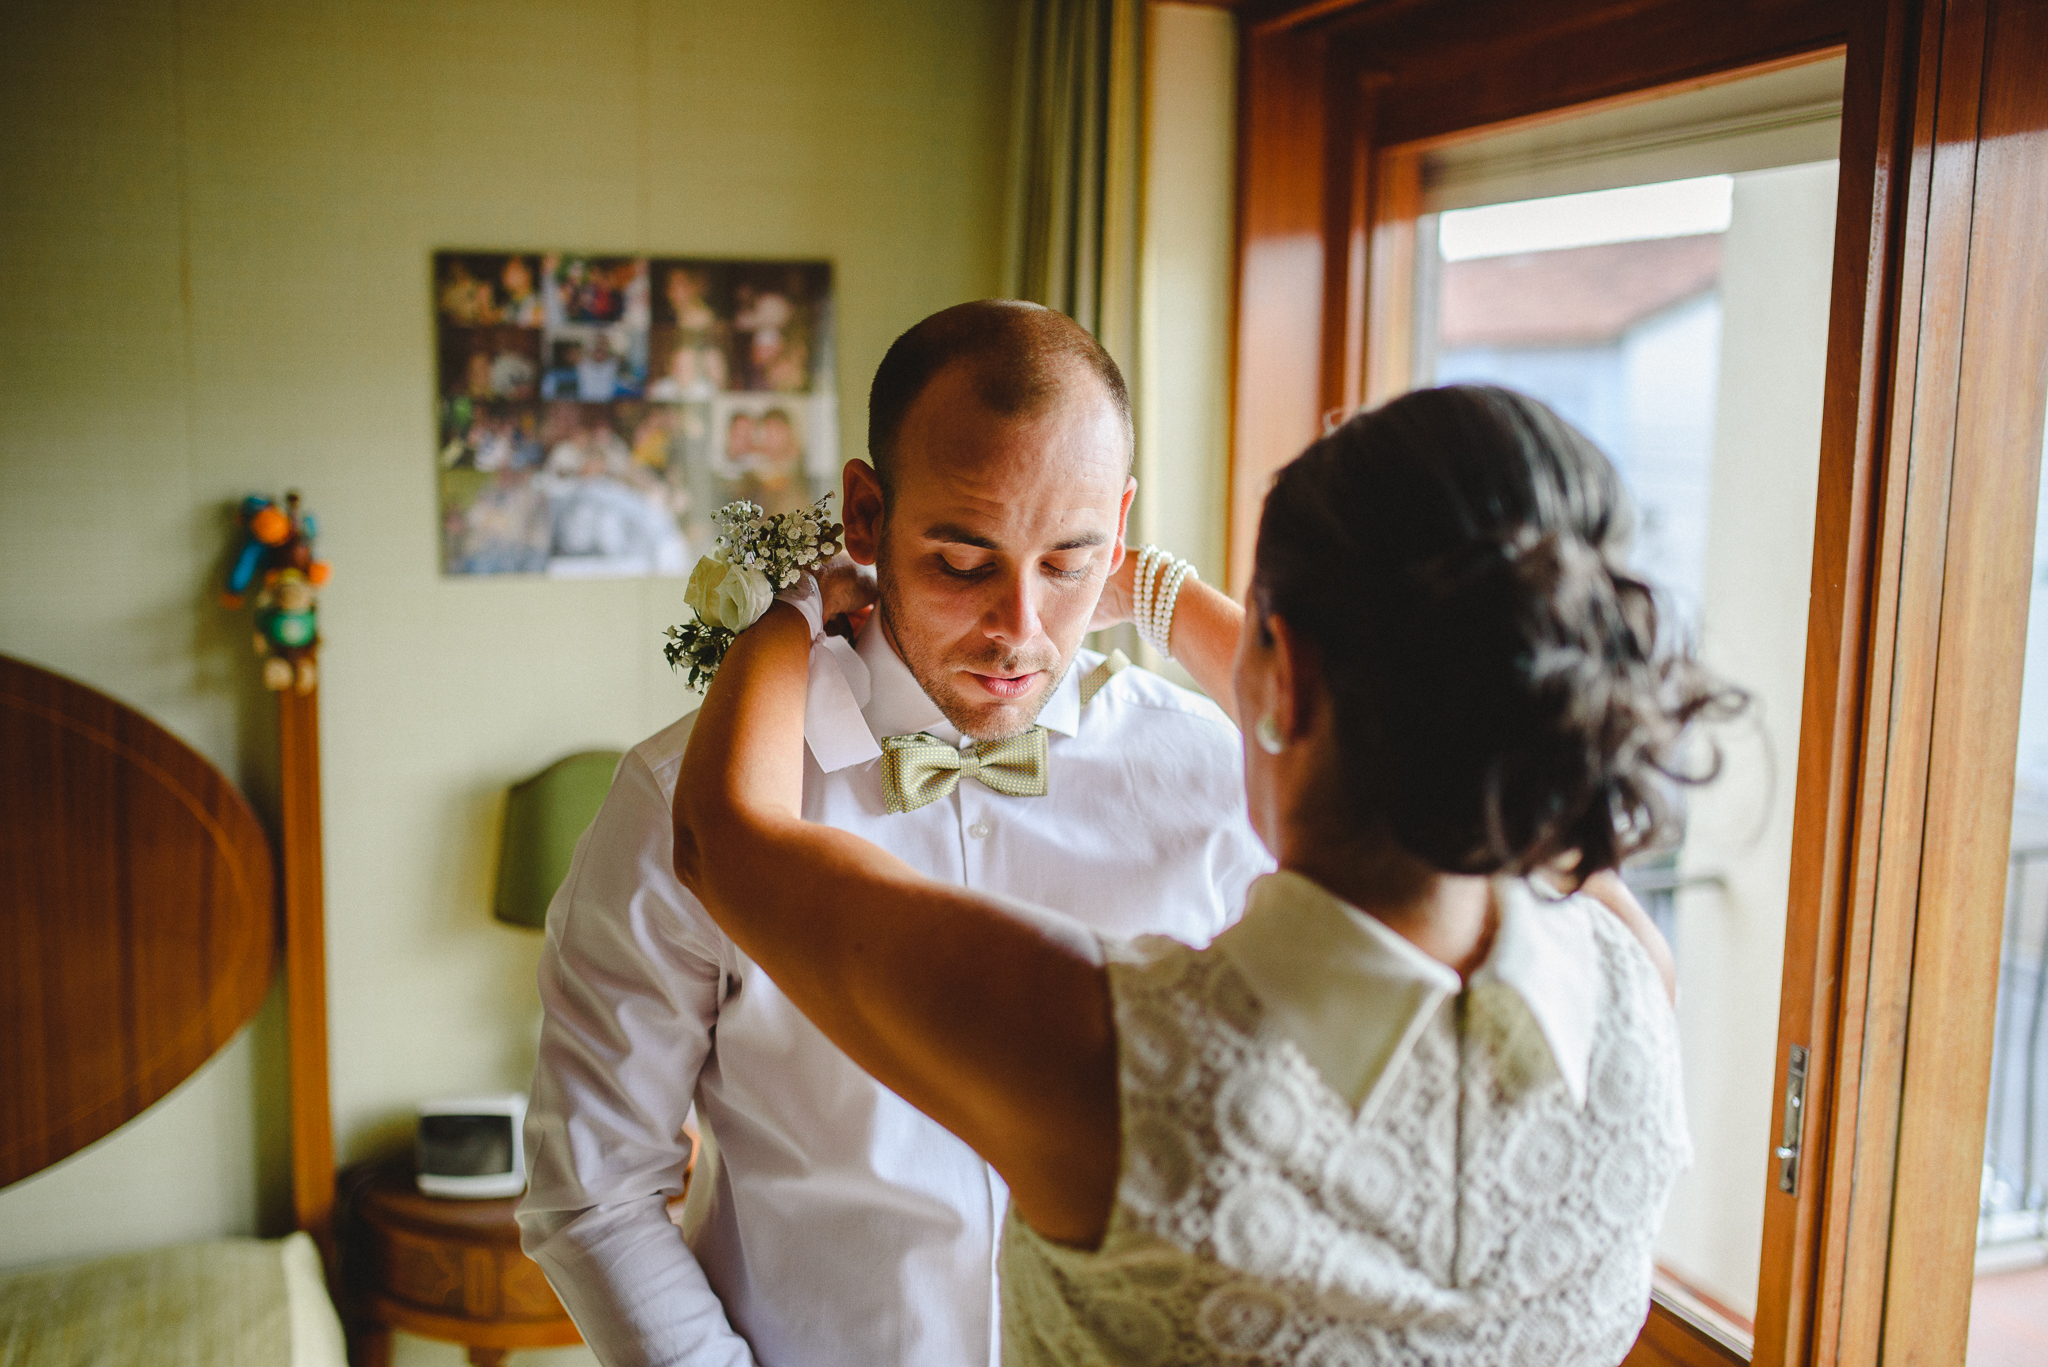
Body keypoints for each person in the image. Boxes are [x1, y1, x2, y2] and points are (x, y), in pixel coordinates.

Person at [671, 384, 1734, 1364]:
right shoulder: (1631, 983)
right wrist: (1111, 575)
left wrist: (799, 609)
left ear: (1287, 668)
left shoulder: (1119, 1065)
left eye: (1070, 559)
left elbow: (723, 837)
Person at [519, 301, 1270, 1367]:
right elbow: (592, 1187)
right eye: (964, 561)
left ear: (1120, 526)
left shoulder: (1212, 775)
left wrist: (1156, 590)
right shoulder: (681, 793)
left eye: (1068, 562)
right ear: (864, 515)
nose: (1018, 627)